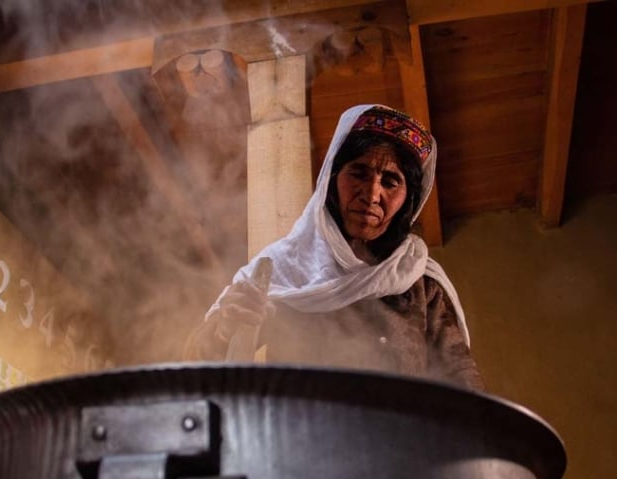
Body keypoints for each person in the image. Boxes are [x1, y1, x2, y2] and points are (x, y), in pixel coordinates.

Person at [186, 104, 485, 391]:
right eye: (359, 173)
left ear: (408, 201)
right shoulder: (280, 271)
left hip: (401, 441)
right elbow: (202, 365)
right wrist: (226, 327)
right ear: (331, 178)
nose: (372, 193)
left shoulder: (422, 286)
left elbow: (462, 383)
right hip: (303, 439)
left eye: (391, 181)